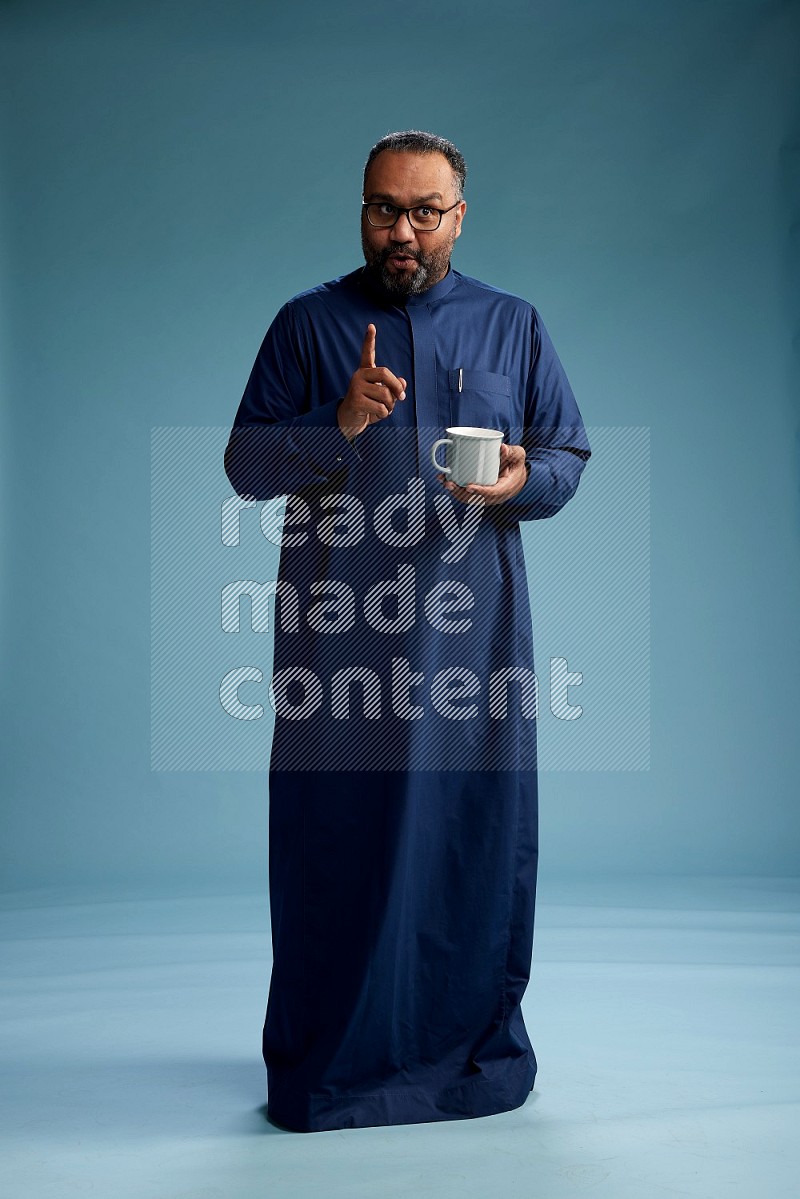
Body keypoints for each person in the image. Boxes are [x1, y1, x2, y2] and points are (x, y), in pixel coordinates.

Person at [224, 130, 591, 1133]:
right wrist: (333, 424)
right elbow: (244, 466)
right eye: (383, 208)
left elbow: (564, 452)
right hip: (339, 640)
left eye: (423, 211)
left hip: (472, 642)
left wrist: (524, 479)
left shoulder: (511, 324)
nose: (401, 230)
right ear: (361, 210)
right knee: (335, 841)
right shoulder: (308, 324)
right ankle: (332, 1063)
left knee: (467, 838)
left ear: (457, 217)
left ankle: (465, 1056)